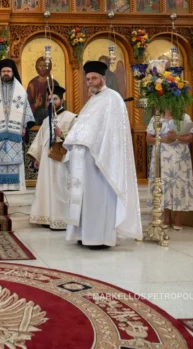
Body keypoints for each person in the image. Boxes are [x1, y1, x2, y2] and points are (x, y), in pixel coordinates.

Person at [64, 61, 142, 249]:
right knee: (86, 200)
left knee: (99, 199)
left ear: (103, 79)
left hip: (101, 160)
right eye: (88, 79)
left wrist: (93, 146)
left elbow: (112, 132)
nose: (90, 82)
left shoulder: (113, 98)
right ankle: (84, 234)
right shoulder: (93, 101)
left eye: (94, 78)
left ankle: (99, 237)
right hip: (85, 158)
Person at [0, 59, 35, 191]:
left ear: (13, 72)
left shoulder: (21, 91)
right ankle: (1, 186)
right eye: (3, 71)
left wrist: (24, 126)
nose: (6, 73)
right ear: (0, 73)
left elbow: (26, 109)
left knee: (15, 158)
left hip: (15, 132)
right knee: (0, 158)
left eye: (8, 71)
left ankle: (16, 186)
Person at [28, 84, 76, 230]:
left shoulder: (71, 117)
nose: (52, 102)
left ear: (61, 100)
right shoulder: (46, 120)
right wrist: (37, 158)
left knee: (60, 189)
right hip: (46, 161)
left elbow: (77, 138)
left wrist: (62, 134)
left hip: (61, 161)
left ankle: (61, 219)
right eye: (49, 99)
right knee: (46, 188)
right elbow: (40, 140)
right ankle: (47, 217)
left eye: (54, 99)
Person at [146, 110, 193, 230]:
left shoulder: (184, 117)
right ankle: (166, 217)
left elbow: (191, 138)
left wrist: (176, 137)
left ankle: (178, 217)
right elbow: (148, 139)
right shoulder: (156, 118)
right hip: (162, 155)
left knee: (180, 183)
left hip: (180, 156)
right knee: (164, 183)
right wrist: (163, 139)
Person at [27, 57, 55, 125]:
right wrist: (35, 105)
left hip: (51, 118)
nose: (42, 68)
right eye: (40, 65)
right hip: (35, 119)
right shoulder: (32, 84)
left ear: (49, 67)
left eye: (44, 65)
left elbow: (59, 101)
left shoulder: (53, 83)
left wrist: (50, 104)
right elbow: (27, 105)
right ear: (36, 67)